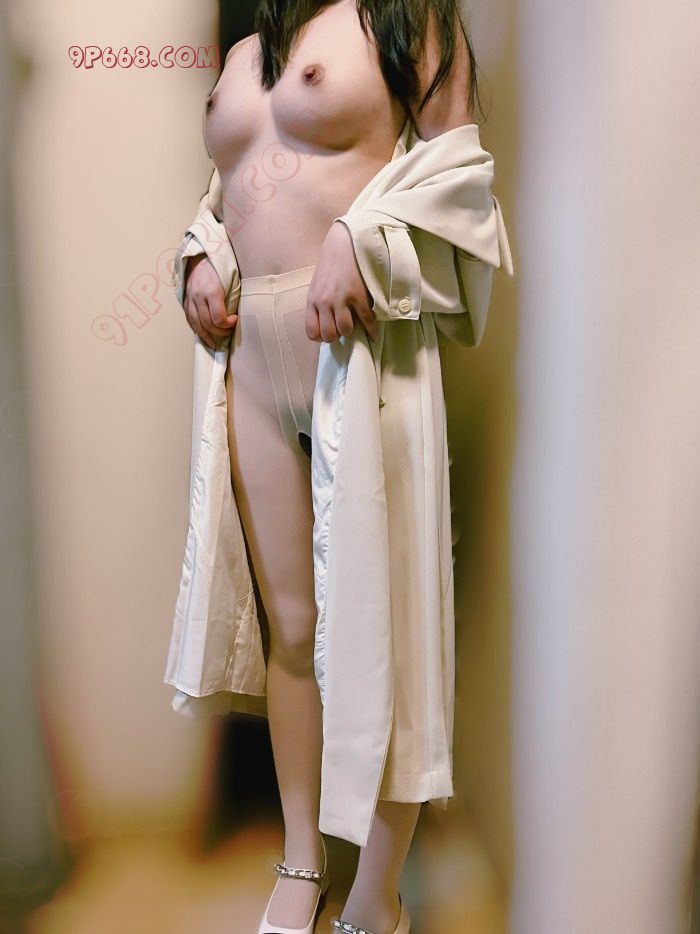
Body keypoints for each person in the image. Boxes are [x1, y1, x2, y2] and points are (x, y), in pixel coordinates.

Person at [172, 3, 499, 932]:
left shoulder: (409, 18)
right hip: (251, 355)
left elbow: (459, 174)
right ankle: (301, 860)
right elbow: (232, 189)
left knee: (387, 619)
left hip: (362, 349)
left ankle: (376, 896)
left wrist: (363, 238)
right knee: (291, 625)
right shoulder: (250, 43)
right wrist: (199, 254)